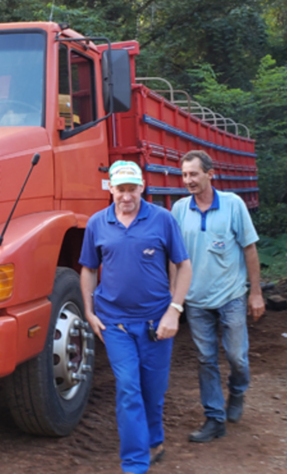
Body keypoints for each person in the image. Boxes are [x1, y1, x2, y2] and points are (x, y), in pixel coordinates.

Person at [80, 160, 192, 474]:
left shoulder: (162, 219)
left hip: (157, 323)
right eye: (120, 189)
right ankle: (134, 464)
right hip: (114, 323)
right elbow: (89, 268)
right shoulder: (97, 224)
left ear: (142, 187)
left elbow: (183, 265)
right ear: (111, 189)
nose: (126, 196)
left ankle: (154, 439)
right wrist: (89, 311)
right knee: (129, 388)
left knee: (153, 391)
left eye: (132, 189)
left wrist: (175, 310)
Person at [170, 150, 264, 444]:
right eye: (185, 175)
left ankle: (236, 392)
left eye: (194, 174)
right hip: (196, 301)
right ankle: (214, 419)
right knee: (205, 359)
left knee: (237, 356)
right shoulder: (179, 210)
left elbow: (249, 249)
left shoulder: (233, 205)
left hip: (231, 296)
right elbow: (174, 258)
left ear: (211, 174)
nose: (188, 180)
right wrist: (175, 301)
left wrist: (256, 293)